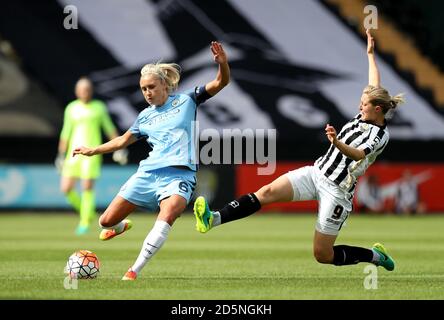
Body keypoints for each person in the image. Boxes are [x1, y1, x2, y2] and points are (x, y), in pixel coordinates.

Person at [193, 30, 404, 271]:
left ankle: (375, 256)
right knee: (267, 191)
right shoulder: (368, 110)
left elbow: (358, 155)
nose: (359, 106)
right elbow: (374, 81)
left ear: (377, 109)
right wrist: (370, 54)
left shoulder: (379, 135)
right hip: (316, 173)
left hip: (337, 190)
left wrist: (336, 142)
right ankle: (213, 219)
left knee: (322, 254)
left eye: (364, 104)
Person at [73, 41, 230, 280]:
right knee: (105, 221)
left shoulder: (187, 100)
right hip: (148, 174)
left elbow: (221, 82)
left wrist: (223, 65)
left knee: (168, 215)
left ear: (165, 85)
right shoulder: (145, 117)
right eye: (143, 89)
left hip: (180, 175)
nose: (147, 92)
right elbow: (122, 141)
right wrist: (93, 150)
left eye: (151, 87)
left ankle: (133, 270)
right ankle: (119, 227)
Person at [56, 77, 127, 235]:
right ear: (77, 91)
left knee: (87, 187)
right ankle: (86, 212)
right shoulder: (71, 108)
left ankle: (84, 221)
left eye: (87, 89)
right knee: (66, 188)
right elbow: (66, 132)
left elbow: (109, 128)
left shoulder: (98, 107)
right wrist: (61, 154)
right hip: (72, 154)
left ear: (91, 91)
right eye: (81, 89)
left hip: (91, 153)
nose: (84, 92)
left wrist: (119, 148)